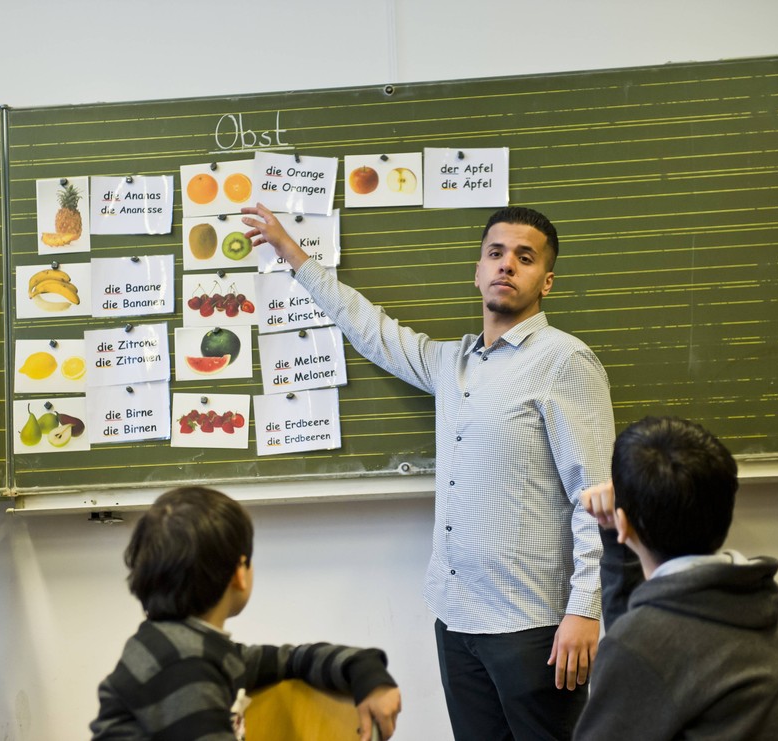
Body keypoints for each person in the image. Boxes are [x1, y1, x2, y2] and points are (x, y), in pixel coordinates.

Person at [242, 202, 634, 740]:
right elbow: (370, 329)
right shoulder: (452, 364)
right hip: (456, 619)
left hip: (534, 627)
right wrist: (294, 255)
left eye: (524, 258)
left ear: (546, 282)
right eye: (495, 253)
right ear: (477, 271)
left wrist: (585, 610)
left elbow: (596, 495)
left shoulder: (565, 360)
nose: (506, 266)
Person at [575, 416, 778, 740]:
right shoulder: (764, 597)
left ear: (623, 524)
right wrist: (618, 536)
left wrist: (619, 533)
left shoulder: (642, 644)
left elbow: (642, 643)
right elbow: (646, 628)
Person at [89, 486, 402, 741]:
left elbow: (293, 660)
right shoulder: (183, 665)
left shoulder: (193, 647)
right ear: (240, 573)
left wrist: (366, 674)